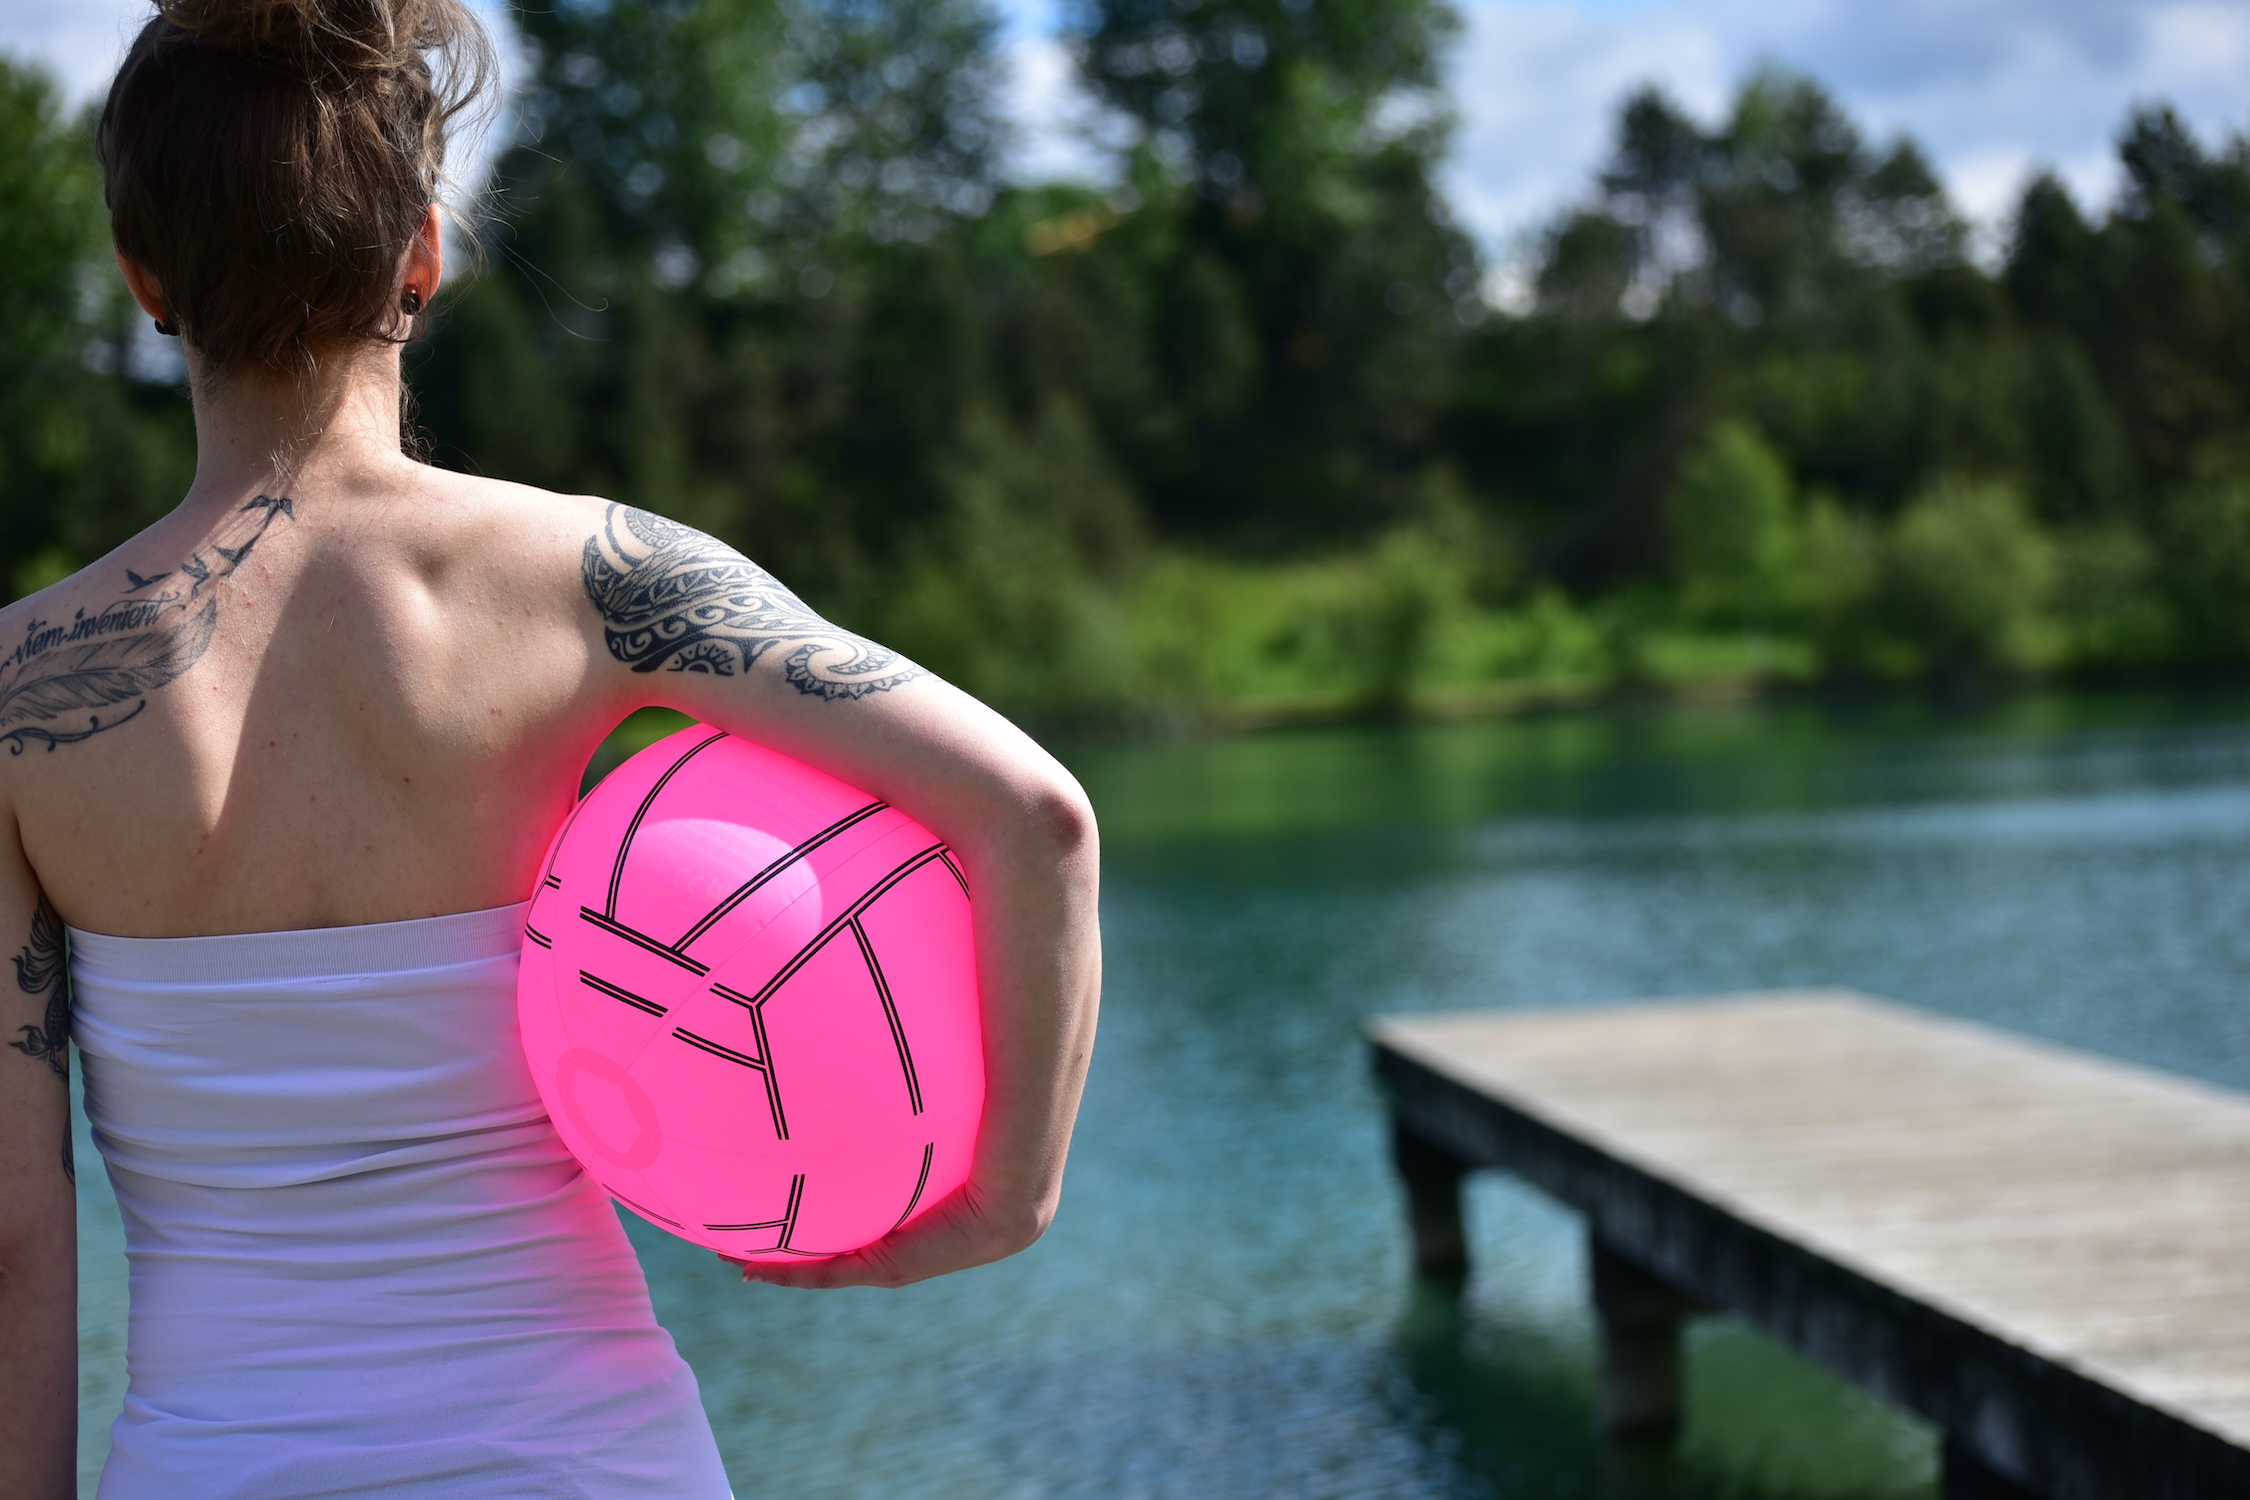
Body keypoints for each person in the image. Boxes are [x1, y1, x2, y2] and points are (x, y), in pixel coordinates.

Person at [0, 0, 1103, 1494]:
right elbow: (1032, 817)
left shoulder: (23, 697)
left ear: (143, 281)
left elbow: (15, 1240)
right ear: (422, 253)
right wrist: (1001, 1202)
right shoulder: (592, 581)